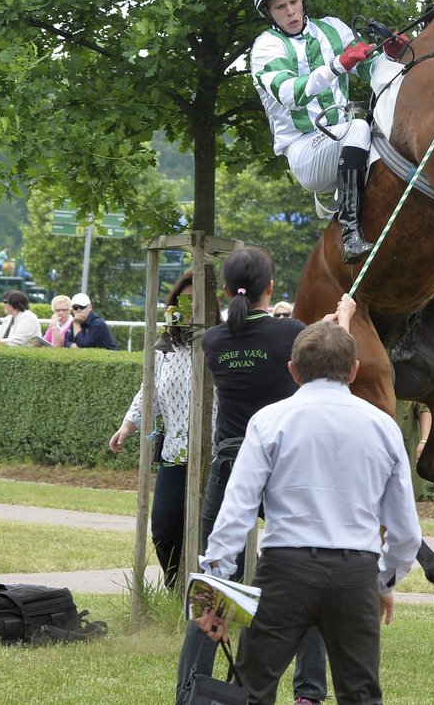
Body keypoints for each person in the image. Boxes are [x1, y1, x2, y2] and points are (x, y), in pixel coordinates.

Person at [196, 304, 422, 705]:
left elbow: (236, 512)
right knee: (361, 694)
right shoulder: (383, 426)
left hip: (286, 569)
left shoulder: (269, 421)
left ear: (294, 371)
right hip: (356, 572)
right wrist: (384, 580)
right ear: (354, 370)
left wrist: (214, 591)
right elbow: (405, 529)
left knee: (250, 689)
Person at [177, 247, 328, 705]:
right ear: (271, 287)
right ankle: (308, 694)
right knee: (307, 577)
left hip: (229, 462)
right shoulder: (292, 333)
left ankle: (189, 694)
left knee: (215, 581)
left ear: (225, 290)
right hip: (282, 464)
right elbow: (322, 357)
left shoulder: (214, 342)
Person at [242, 0, 408, 263]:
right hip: (304, 150)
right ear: (268, 12)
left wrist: (393, 55)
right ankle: (350, 235)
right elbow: (291, 94)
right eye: (280, 7)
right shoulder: (266, 48)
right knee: (359, 126)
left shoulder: (333, 29)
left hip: (342, 141)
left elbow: (372, 71)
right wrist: (338, 65)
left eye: (293, 1)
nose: (290, 11)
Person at [109, 273, 199, 589]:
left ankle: (215, 593)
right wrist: (128, 425)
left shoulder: (219, 343)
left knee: (209, 531)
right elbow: (149, 389)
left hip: (213, 456)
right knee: (164, 527)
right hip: (175, 453)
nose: (189, 307)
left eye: (196, 299)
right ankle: (177, 589)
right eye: (182, 300)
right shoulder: (165, 347)